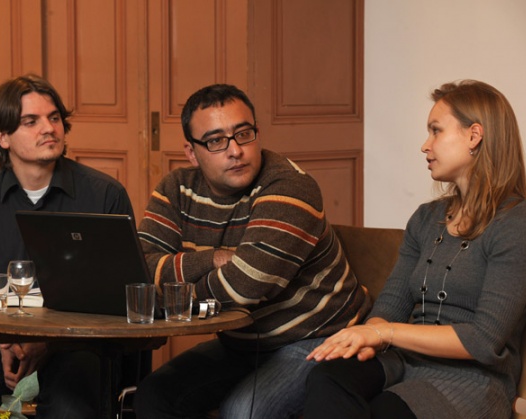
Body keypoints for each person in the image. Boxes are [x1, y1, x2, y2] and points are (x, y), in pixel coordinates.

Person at [303, 80, 526, 419]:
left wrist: (385, 332)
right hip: (404, 360)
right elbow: (390, 305)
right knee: (327, 378)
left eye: (436, 131)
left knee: (385, 411)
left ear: (474, 136)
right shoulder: (426, 218)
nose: (425, 145)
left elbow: (483, 340)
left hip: (472, 381)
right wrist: (367, 336)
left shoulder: (518, 223)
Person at [132, 83, 372, 419]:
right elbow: (141, 269)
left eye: (243, 134)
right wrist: (214, 259)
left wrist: (174, 293)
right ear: (191, 152)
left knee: (243, 411)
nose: (235, 150)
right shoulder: (176, 189)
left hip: (317, 336)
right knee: (153, 396)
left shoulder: (289, 186)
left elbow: (244, 286)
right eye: (216, 141)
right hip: (242, 342)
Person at [0, 74, 137, 418]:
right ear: (2, 136)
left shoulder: (104, 195)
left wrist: (46, 341)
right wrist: (4, 341)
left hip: (78, 347)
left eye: (54, 118)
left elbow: (122, 296)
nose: (49, 128)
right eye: (31, 121)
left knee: (70, 410)